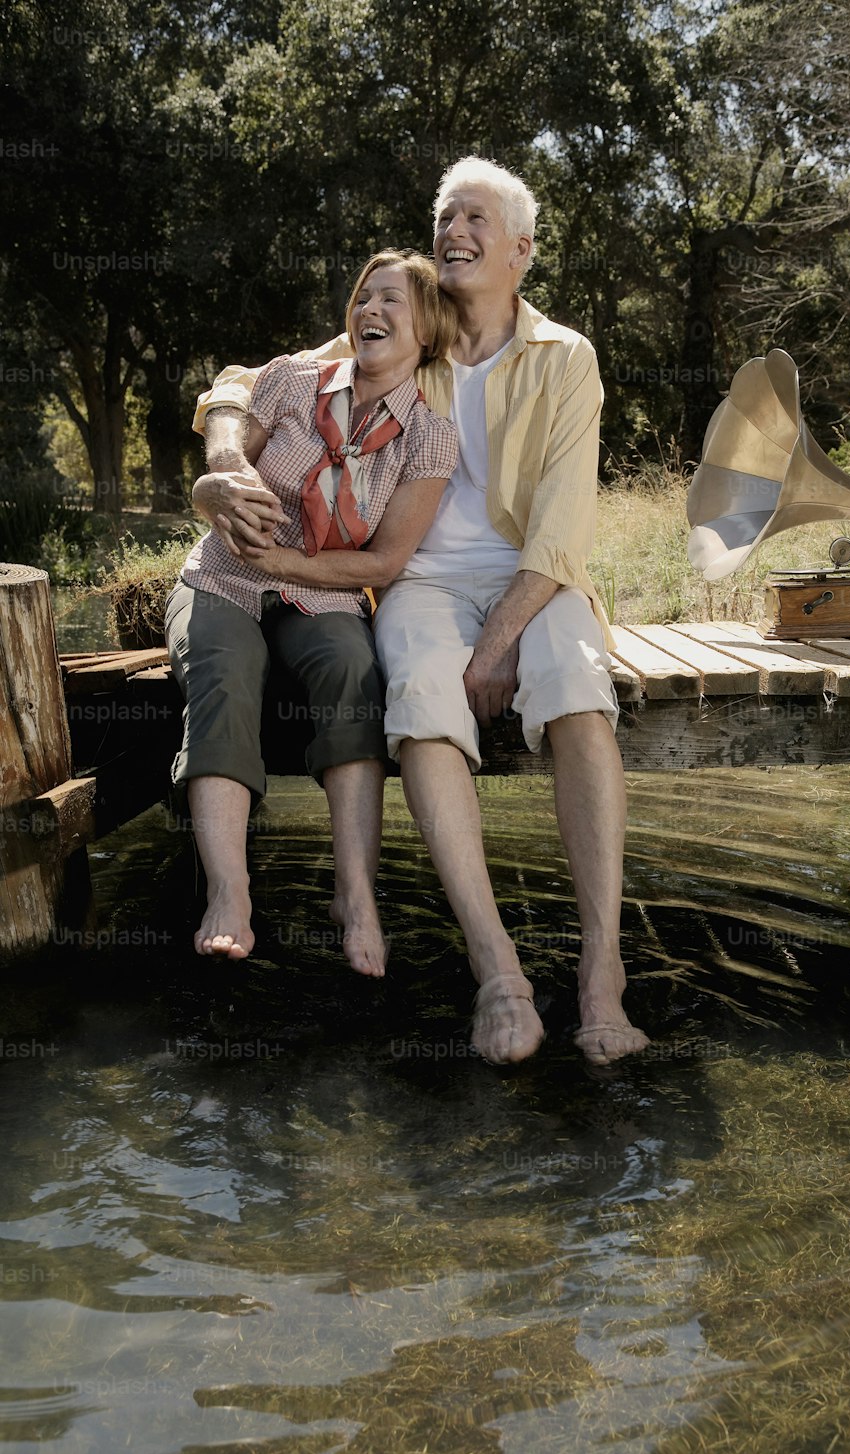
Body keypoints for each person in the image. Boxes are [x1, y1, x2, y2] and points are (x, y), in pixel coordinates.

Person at [192, 158, 651, 1068]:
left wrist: (503, 642)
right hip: (417, 584)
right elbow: (251, 380)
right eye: (445, 216)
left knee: (580, 697)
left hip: (534, 580)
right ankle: (499, 975)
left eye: (475, 218)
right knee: (425, 716)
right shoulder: (408, 331)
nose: (454, 232)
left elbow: (561, 535)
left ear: (520, 248)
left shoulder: (567, 358)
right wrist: (221, 458)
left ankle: (603, 975)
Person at [168, 249, 458, 974]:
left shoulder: (430, 435)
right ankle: (229, 894)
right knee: (226, 672)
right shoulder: (294, 380)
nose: (371, 311)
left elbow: (384, 563)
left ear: (428, 329)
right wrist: (219, 482)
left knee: (354, 671)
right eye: (364, 297)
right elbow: (228, 449)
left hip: (323, 584)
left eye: (392, 300)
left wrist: (289, 565)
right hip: (227, 573)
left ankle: (355, 896)